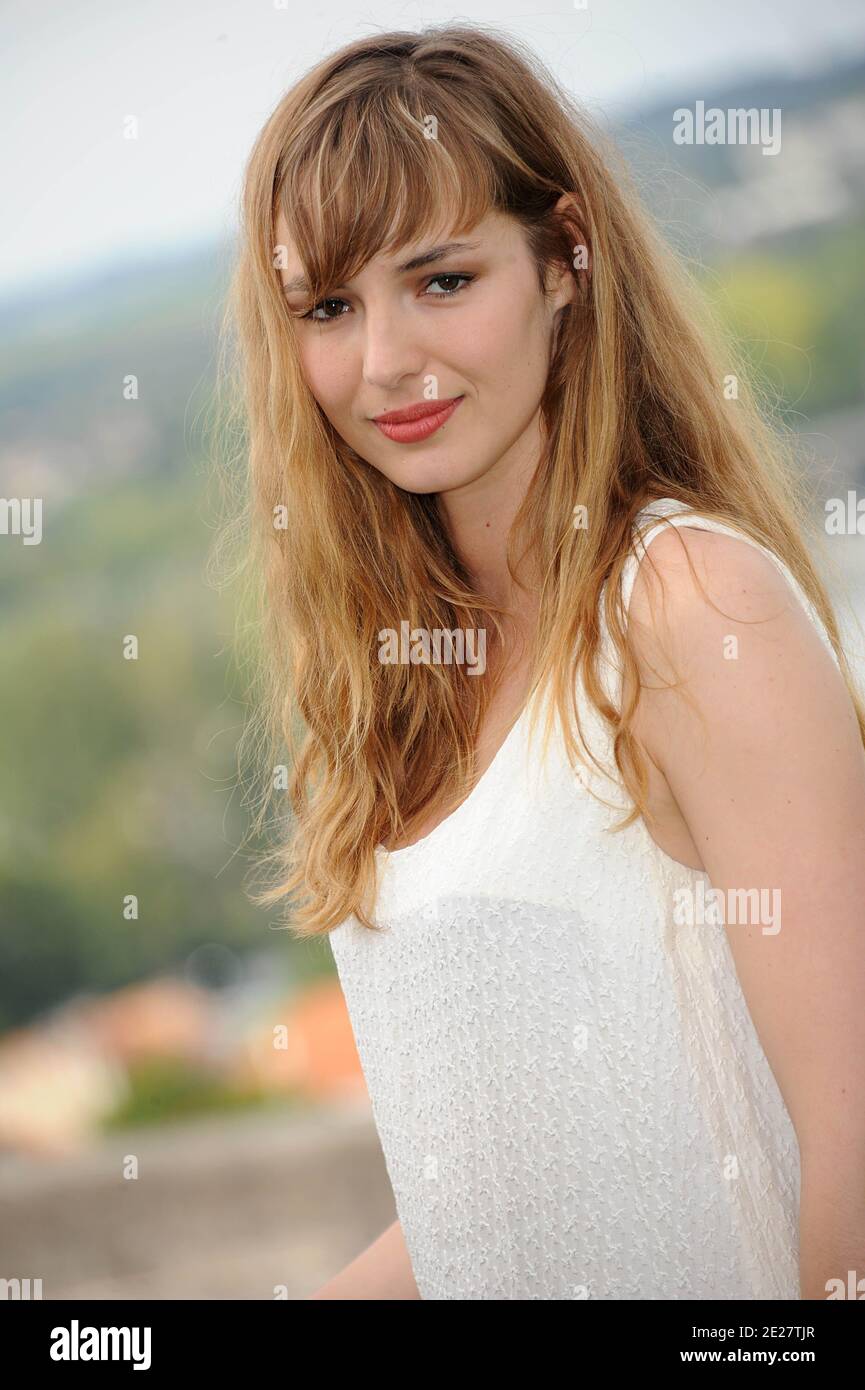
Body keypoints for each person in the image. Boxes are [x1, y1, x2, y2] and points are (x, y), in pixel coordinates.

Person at [216, 23, 865, 1299]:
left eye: (443, 279)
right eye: (330, 307)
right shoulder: (391, 684)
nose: (387, 360)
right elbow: (508, 1192)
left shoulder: (685, 605)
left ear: (565, 258)